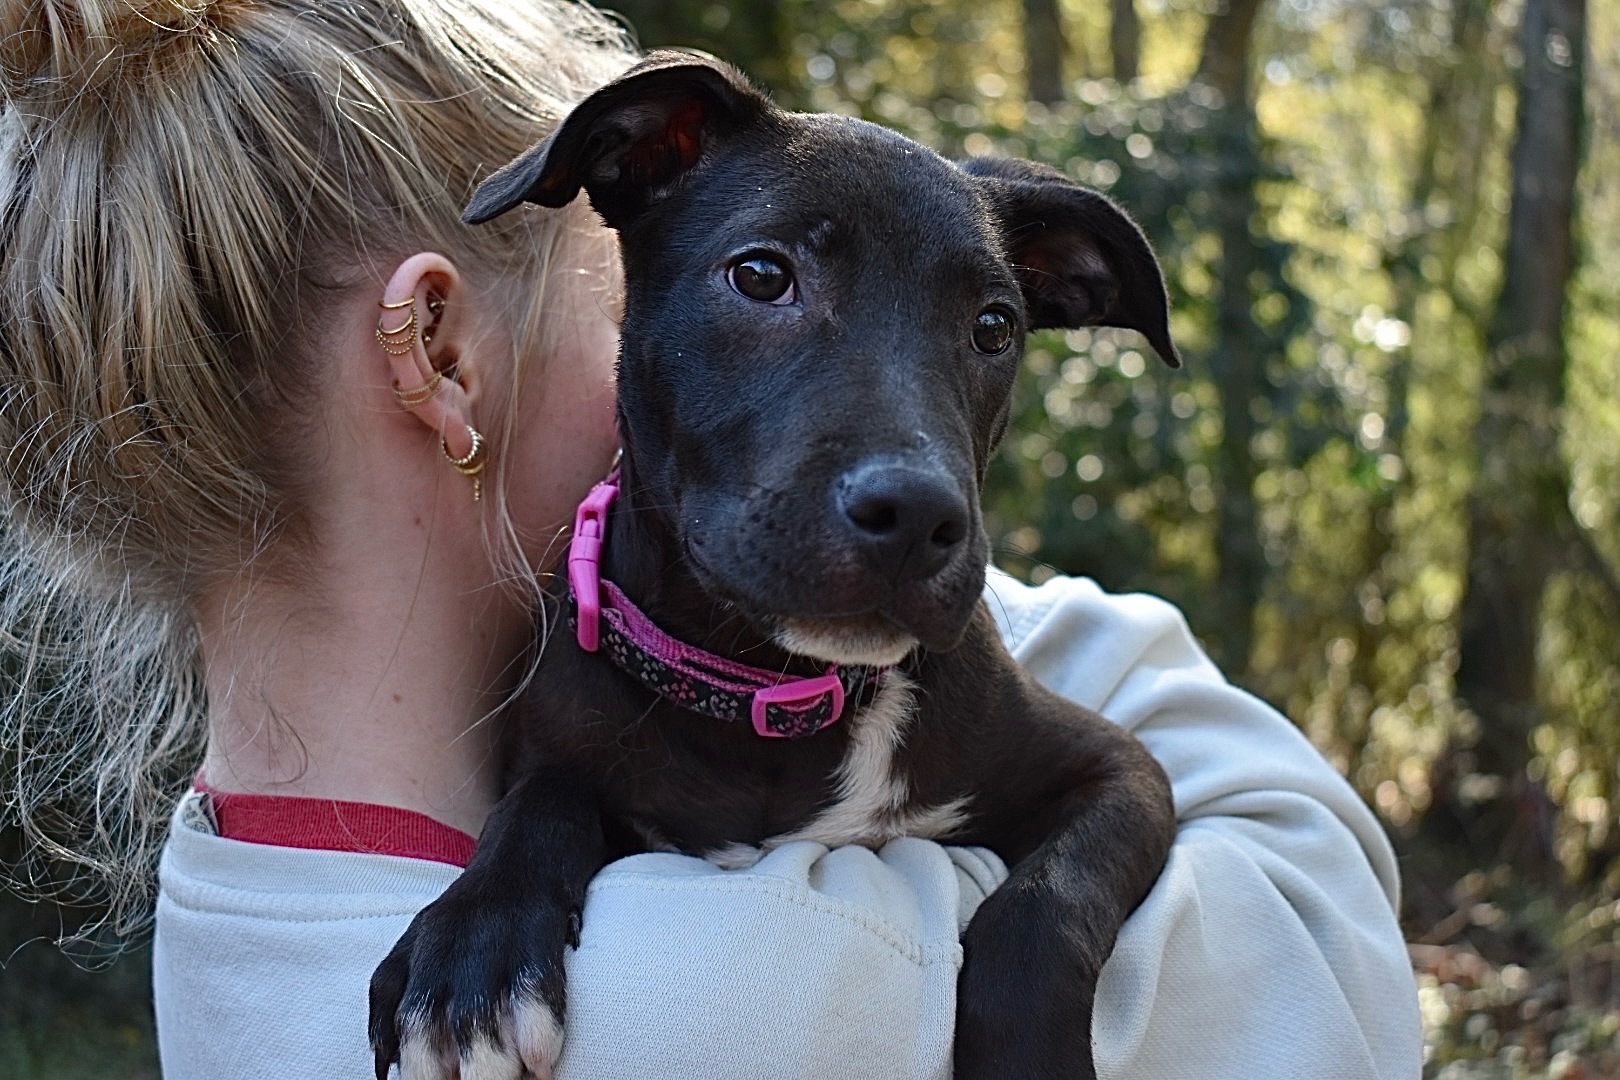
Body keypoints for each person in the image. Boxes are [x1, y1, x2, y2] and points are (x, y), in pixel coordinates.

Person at [0, 0, 1422, 1077]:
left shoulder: (231, 898)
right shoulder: (756, 999)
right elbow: (1317, 908)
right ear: (437, 351)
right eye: (630, 306)